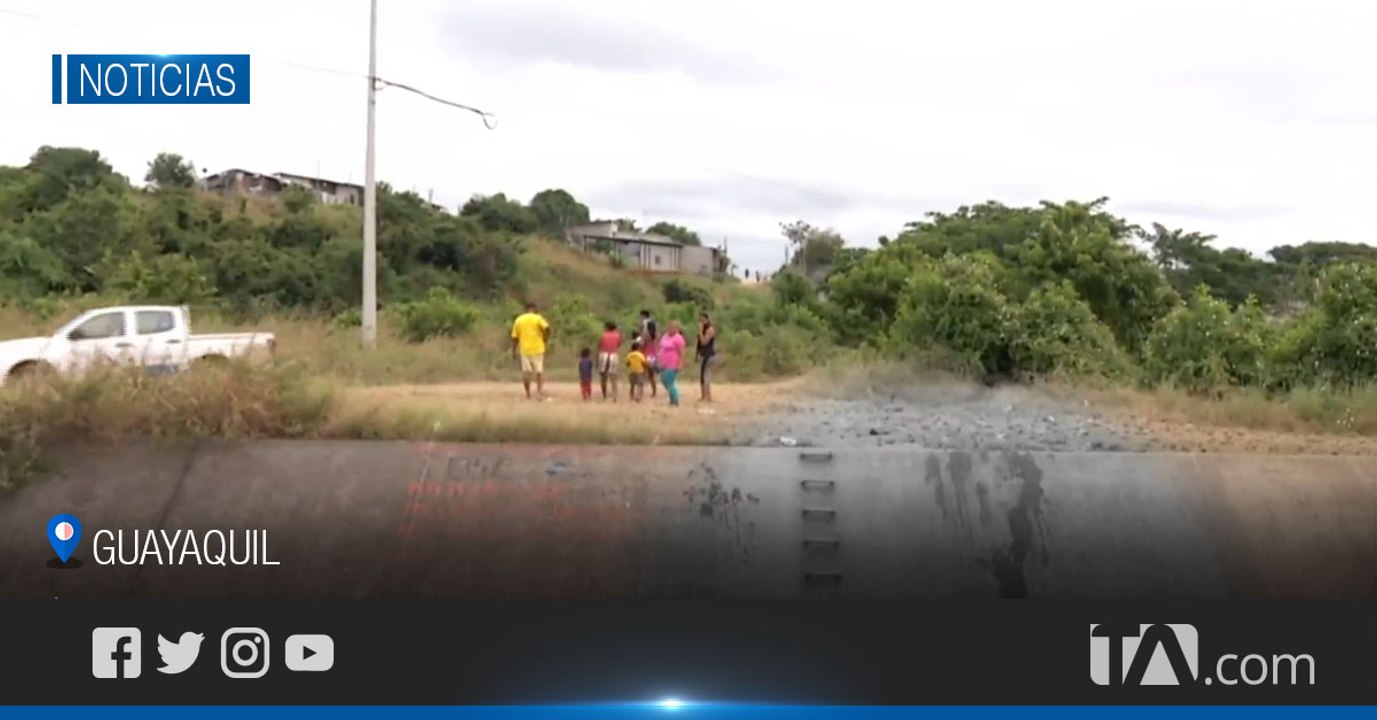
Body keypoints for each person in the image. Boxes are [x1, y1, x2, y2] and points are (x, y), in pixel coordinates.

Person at [510, 302, 551, 400]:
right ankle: (539, 393)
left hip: (524, 349)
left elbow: (515, 338)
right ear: (534, 308)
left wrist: (513, 350)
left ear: (526, 309)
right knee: (539, 372)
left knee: (526, 372)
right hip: (538, 348)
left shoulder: (519, 320)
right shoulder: (538, 318)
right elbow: (547, 328)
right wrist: (545, 338)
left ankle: (528, 394)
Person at [656, 320, 687, 407]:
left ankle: (675, 400)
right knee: (664, 381)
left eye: (672, 328)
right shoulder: (665, 336)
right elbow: (661, 346)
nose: (670, 329)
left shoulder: (679, 338)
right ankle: (672, 398)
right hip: (663, 363)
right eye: (669, 327)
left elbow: (682, 352)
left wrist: (680, 363)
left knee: (670, 382)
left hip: (672, 363)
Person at [695, 312, 717, 403]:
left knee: (706, 375)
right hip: (702, 354)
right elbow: (699, 344)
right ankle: (703, 395)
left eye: (703, 320)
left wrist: (700, 332)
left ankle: (709, 397)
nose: (701, 322)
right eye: (700, 320)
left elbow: (704, 342)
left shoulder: (710, 329)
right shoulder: (703, 329)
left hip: (708, 355)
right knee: (702, 375)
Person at [597, 321, 621, 402]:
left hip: (604, 355)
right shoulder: (617, 336)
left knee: (603, 377)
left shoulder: (603, 335)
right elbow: (618, 345)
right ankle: (614, 395)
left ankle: (604, 395)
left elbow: (600, 345)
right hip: (613, 355)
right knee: (613, 377)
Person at [638, 309, 659, 398]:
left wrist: (642, 340)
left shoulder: (645, 323)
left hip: (646, 349)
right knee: (650, 373)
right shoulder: (652, 323)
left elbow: (644, 334)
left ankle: (641, 391)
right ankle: (653, 391)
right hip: (651, 350)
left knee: (643, 371)